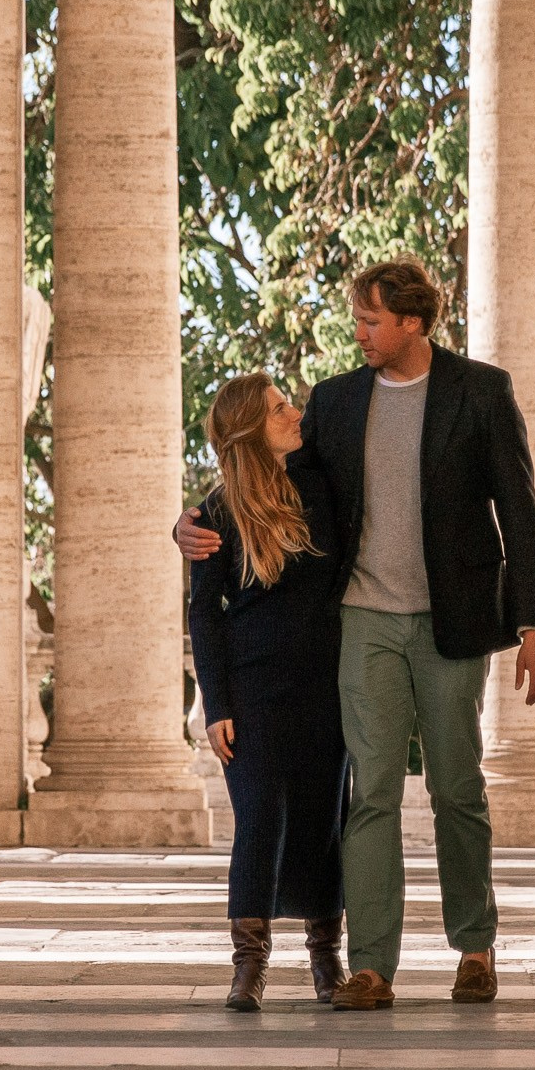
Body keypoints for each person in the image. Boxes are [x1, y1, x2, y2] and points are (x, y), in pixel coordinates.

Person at [178, 258, 535, 1011]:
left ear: (413, 323)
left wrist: (534, 622)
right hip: (363, 620)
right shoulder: (339, 402)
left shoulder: (482, 391)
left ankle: (474, 950)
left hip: (456, 624)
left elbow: (520, 511)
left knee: (458, 790)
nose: (358, 333)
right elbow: (258, 479)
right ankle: (371, 965)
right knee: (371, 795)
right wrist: (190, 523)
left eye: (371, 321)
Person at [187, 373, 351, 1011]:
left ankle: (325, 959)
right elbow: (205, 615)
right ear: (253, 428)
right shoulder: (218, 511)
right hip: (252, 693)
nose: (294, 412)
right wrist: (217, 704)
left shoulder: (320, 484)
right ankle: (247, 967)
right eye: (280, 408)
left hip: (328, 686)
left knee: (323, 821)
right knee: (259, 821)